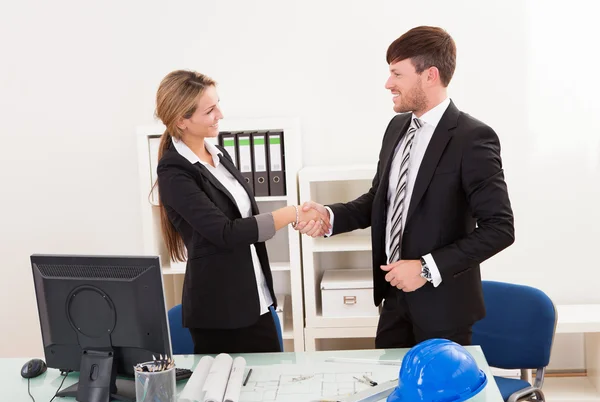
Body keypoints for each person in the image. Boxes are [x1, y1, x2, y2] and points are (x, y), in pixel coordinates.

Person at [296, 26, 515, 348]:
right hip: (394, 300)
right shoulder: (397, 127)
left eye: (397, 74)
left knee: (440, 399)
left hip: (445, 310)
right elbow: (381, 200)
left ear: (430, 75)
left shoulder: (472, 137)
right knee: (388, 392)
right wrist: (331, 216)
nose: (388, 84)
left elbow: (499, 228)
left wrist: (426, 268)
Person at [154, 70, 329, 354]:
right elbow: (225, 233)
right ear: (181, 121)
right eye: (210, 110)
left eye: (217, 104)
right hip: (220, 312)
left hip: (255, 298)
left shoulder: (219, 154)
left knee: (272, 386)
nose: (220, 114)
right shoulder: (175, 172)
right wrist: (292, 213)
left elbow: (243, 218)